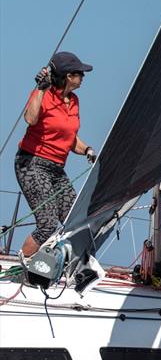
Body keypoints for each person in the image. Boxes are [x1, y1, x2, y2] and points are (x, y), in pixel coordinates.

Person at [15, 51, 96, 258]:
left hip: (56, 168)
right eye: (80, 73)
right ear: (69, 76)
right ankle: (20, 268)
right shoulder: (44, 94)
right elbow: (31, 119)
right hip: (32, 164)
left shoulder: (74, 100)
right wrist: (41, 89)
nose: (83, 77)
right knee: (47, 224)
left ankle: (61, 267)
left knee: (75, 219)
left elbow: (70, 137)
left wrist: (87, 150)